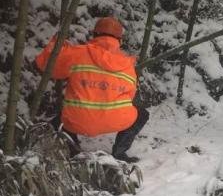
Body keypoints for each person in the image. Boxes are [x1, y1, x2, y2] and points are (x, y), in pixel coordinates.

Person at [35, 16, 149, 162]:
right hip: (116, 120)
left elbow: (45, 65)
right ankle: (119, 153)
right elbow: (130, 96)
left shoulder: (77, 53)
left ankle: (73, 150)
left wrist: (58, 43)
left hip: (78, 119)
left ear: (95, 34)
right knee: (142, 114)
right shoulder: (127, 64)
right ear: (119, 40)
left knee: (61, 120)